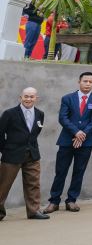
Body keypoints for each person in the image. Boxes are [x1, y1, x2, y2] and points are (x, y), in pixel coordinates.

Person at [46, 71, 92, 213]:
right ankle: (54, 201)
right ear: (79, 82)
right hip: (66, 140)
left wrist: (82, 135)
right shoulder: (67, 98)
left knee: (79, 171)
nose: (88, 84)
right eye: (85, 81)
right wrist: (76, 132)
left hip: (86, 142)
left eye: (91, 82)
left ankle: (71, 200)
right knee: (60, 171)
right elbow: (63, 118)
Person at [0, 87, 48, 220]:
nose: (28, 99)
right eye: (26, 96)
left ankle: (33, 211)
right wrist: (5, 149)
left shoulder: (40, 114)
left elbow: (35, 132)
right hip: (12, 155)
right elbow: (0, 133)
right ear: (20, 97)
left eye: (32, 96)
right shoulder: (9, 113)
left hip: (32, 155)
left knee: (33, 184)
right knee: (3, 185)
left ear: (36, 99)